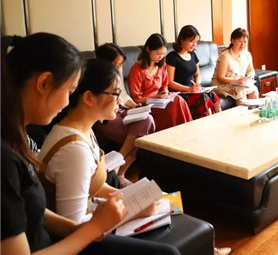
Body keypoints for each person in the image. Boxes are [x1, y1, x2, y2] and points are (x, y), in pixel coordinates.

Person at [0, 33, 127, 254]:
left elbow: (31, 208)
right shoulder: (5, 158)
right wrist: (94, 227)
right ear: (44, 83)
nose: (69, 101)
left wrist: (78, 228)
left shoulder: (18, 138)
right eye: (69, 91)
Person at [38, 59, 159, 223]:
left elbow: (93, 186)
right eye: (116, 94)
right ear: (89, 97)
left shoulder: (84, 130)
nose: (120, 101)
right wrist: (134, 210)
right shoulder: (74, 150)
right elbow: (73, 224)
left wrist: (132, 198)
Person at [94, 43, 156, 187]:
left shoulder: (117, 73)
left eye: (121, 65)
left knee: (148, 119)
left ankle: (119, 168)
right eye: (116, 64)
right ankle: (120, 171)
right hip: (106, 116)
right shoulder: (96, 78)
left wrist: (134, 106)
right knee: (141, 133)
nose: (119, 68)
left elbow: (123, 94)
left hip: (121, 109)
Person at [128, 33, 192, 131]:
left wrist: (165, 92)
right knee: (174, 105)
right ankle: (181, 132)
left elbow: (164, 86)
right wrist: (155, 97)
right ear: (148, 50)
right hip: (146, 106)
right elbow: (136, 99)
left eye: (163, 54)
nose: (161, 57)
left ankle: (186, 131)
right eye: (158, 54)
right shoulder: (137, 69)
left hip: (159, 102)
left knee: (178, 99)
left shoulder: (161, 66)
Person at [166, 25, 221, 118]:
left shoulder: (193, 54)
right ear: (182, 40)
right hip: (180, 92)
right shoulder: (172, 57)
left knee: (212, 94)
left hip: (192, 90)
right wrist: (188, 89)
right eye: (192, 41)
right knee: (202, 98)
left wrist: (197, 85)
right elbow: (170, 82)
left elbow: (197, 74)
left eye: (196, 42)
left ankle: (218, 119)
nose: (194, 45)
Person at [211, 28, 259, 104]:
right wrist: (237, 81)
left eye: (245, 42)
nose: (242, 44)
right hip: (223, 84)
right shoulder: (224, 56)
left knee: (254, 89)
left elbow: (250, 71)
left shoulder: (247, 54)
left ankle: (253, 110)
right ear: (232, 41)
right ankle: (241, 111)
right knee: (241, 91)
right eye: (240, 41)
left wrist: (248, 78)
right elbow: (220, 78)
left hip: (239, 83)